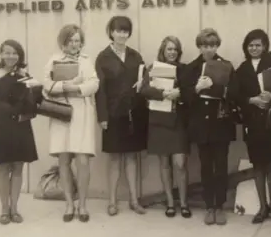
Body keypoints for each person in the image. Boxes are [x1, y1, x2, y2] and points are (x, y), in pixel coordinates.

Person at [43, 24, 99, 223]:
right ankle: (69, 204)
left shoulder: (86, 60)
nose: (75, 44)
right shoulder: (54, 60)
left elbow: (94, 84)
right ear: (63, 42)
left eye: (77, 40)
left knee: (83, 161)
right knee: (64, 160)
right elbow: (46, 86)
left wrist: (76, 89)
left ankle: (82, 204)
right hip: (60, 113)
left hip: (82, 114)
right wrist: (68, 85)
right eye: (71, 41)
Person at [181, 28, 237, 225]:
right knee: (205, 167)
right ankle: (209, 206)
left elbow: (235, 93)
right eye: (205, 46)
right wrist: (197, 88)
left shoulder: (227, 65)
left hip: (220, 123)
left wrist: (216, 88)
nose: (209, 50)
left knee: (221, 166)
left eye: (212, 45)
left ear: (217, 46)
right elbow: (184, 97)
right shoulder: (191, 68)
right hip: (201, 124)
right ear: (199, 46)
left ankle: (220, 205)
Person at [95, 16, 148, 216]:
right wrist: (103, 117)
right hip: (113, 114)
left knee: (132, 157)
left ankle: (134, 201)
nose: (122, 34)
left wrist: (144, 82)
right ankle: (112, 202)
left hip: (134, 112)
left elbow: (145, 78)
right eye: (118, 31)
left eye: (125, 31)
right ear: (111, 32)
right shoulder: (103, 57)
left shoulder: (135, 55)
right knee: (115, 159)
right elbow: (100, 90)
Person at [231, 29, 271, 224]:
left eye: (258, 45)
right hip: (252, 122)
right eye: (251, 45)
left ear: (265, 46)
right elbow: (235, 95)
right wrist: (251, 100)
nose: (254, 48)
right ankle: (262, 207)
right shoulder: (242, 69)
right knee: (258, 164)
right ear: (246, 48)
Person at [0, 39, 39, 225]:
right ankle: (4, 209)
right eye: (7, 52)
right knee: (3, 167)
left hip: (21, 127)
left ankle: (15, 208)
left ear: (19, 56)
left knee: (18, 168)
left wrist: (32, 84)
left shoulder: (25, 76)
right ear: (0, 54)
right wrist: (16, 111)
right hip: (1, 126)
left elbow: (34, 102)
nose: (10, 56)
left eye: (14, 53)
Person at [140, 36, 192, 218]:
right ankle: (170, 203)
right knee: (164, 164)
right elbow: (144, 89)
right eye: (169, 49)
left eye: (175, 49)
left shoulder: (184, 69)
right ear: (163, 50)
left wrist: (180, 93)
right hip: (159, 120)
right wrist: (163, 94)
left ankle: (184, 203)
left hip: (178, 121)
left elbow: (191, 91)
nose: (172, 52)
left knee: (180, 164)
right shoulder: (153, 68)